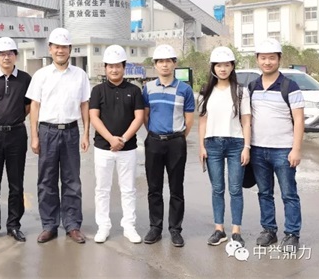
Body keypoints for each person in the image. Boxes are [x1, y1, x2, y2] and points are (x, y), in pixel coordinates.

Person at [26, 27, 91, 244]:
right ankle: (49, 225)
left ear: (70, 49)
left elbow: (84, 105)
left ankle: (72, 225)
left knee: (72, 180)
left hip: (71, 131)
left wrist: (85, 133)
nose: (60, 50)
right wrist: (34, 136)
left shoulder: (80, 75)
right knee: (47, 180)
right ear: (50, 49)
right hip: (47, 132)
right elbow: (34, 106)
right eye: (56, 47)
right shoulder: (41, 75)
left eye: (64, 47)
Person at [250, 38, 304, 253]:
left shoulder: (290, 86)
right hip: (257, 149)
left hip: (283, 149)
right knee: (264, 192)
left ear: (279, 59)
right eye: (263, 58)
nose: (267, 62)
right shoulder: (252, 86)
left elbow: (299, 120)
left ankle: (292, 234)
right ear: (257, 59)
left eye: (272, 58)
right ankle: (269, 230)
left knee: (289, 193)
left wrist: (296, 149)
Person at [89, 45, 145, 244]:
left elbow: (139, 117)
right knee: (102, 189)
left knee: (128, 189)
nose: (114, 70)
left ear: (124, 67)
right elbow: (94, 117)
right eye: (110, 66)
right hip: (103, 148)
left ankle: (129, 226)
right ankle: (103, 226)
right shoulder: (97, 90)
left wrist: (123, 139)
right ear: (105, 68)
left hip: (127, 149)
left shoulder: (134, 90)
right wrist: (111, 139)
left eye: (118, 66)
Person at [0, 37, 32, 243]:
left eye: (10, 53)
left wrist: (13, 119)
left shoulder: (25, 79)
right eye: (2, 54)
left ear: (16, 56)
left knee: (16, 182)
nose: (6, 57)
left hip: (17, 134)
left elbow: (28, 106)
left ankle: (14, 225)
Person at [198, 46, 251, 247]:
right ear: (213, 67)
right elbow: (202, 122)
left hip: (236, 143)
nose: (222, 69)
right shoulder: (205, 91)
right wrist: (201, 147)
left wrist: (247, 147)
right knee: (217, 189)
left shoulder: (241, 91)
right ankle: (219, 230)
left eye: (226, 65)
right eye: (218, 65)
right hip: (212, 144)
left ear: (232, 67)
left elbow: (246, 121)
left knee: (235, 189)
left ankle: (236, 231)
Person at [142, 44, 195, 247]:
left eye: (168, 61)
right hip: (154, 142)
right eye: (160, 61)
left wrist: (177, 137)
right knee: (154, 187)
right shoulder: (148, 88)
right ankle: (155, 228)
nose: (164, 65)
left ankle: (175, 229)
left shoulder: (185, 89)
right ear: (155, 64)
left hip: (176, 143)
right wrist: (155, 134)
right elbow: (145, 116)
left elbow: (189, 120)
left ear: (175, 63)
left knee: (176, 188)